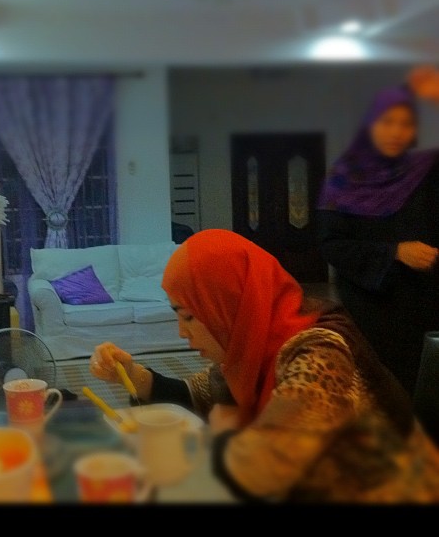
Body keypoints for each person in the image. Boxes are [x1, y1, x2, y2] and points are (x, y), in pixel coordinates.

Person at [90, 229, 439, 503]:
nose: (182, 331)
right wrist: (132, 375)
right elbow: (197, 395)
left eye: (190, 316)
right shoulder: (252, 345)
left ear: (225, 305)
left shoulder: (318, 352)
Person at [316, 66, 439, 399]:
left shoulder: (427, 169)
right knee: (382, 392)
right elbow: (332, 245)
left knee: (428, 387)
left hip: (428, 302)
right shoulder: (343, 179)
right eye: (387, 122)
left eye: (406, 123)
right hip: (374, 309)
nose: (396, 132)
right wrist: (394, 252)